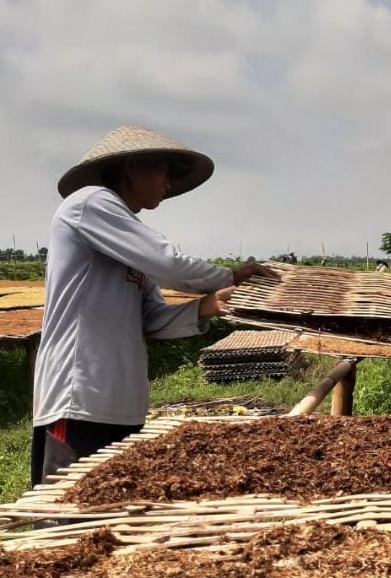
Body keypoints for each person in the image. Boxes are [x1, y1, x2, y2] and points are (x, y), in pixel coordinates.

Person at [31, 125, 280, 487]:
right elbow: (169, 264)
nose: (168, 183)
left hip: (122, 404)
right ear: (132, 167)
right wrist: (232, 276)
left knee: (107, 515)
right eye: (164, 170)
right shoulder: (90, 202)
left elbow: (151, 321)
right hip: (80, 397)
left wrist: (209, 306)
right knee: (64, 516)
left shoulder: (129, 245)